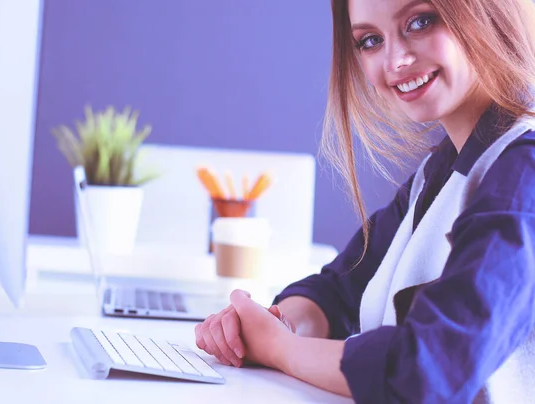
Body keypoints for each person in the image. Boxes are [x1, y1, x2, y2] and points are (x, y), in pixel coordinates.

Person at [195, 0, 535, 402]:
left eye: (420, 21)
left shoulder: (522, 174)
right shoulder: (438, 172)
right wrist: (273, 324)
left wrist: (279, 348)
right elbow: (342, 288)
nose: (395, 60)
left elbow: (426, 372)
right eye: (370, 41)